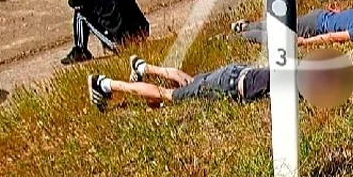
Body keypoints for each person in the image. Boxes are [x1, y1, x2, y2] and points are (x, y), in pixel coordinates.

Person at [87, 55, 270, 111]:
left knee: (191, 82)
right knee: (168, 95)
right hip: (228, 86)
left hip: (235, 72)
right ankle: (104, 84)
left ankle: (143, 67)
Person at [61, 0, 151, 65]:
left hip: (122, 44)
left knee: (80, 13)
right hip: (142, 34)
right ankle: (132, 41)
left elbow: (73, 2)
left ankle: (80, 50)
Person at [233, 5, 353, 46]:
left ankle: (245, 27)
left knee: (281, 25)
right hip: (315, 26)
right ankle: (240, 36)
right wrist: (305, 41)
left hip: (320, 15)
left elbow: (350, 14)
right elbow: (333, 36)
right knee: (279, 39)